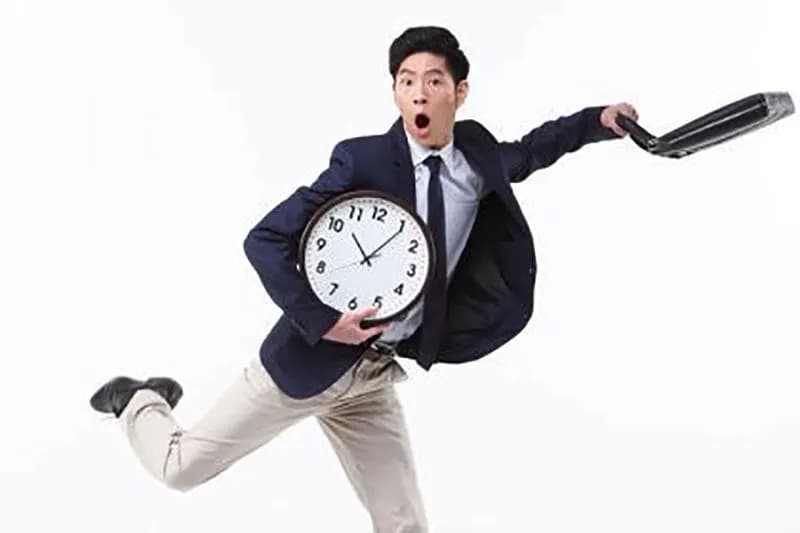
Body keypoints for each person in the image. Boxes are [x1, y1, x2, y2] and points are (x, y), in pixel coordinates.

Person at [89, 25, 638, 532]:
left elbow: (535, 149)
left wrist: (598, 121)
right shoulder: (363, 161)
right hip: (307, 363)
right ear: (395, 92)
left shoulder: (475, 157)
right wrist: (325, 322)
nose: (419, 94)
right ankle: (141, 400)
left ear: (459, 92)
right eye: (406, 82)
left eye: (433, 81)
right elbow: (264, 239)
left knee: (404, 524)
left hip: (373, 375)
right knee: (180, 468)